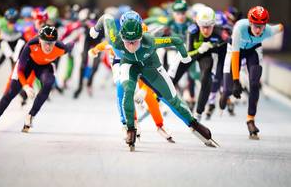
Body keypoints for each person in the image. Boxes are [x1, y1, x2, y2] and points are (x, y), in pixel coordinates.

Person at [89, 12, 218, 151]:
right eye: (128, 41)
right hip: (127, 64)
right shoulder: (114, 39)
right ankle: (129, 128)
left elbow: (176, 41)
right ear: (121, 35)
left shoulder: (149, 40)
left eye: (136, 41)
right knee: (125, 90)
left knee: (171, 98)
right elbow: (107, 17)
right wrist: (95, 30)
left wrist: (186, 57)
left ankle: (193, 124)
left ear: (142, 34)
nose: (132, 45)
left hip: (150, 65)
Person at [0, 25, 73, 132]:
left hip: (44, 66)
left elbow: (71, 44)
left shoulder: (61, 48)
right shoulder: (31, 44)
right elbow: (20, 70)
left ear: (56, 42)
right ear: (39, 40)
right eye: (45, 43)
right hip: (27, 64)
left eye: (51, 43)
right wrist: (25, 86)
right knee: (12, 91)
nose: (48, 47)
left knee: (49, 83)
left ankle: (31, 116)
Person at [221, 6, 284, 139]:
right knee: (228, 89)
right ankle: (224, 93)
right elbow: (236, 55)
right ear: (250, 23)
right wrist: (236, 81)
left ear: (265, 25)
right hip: (235, 50)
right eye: (255, 25)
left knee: (254, 84)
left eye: (261, 26)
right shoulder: (239, 28)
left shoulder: (268, 30)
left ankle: (250, 120)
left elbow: (280, 27)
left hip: (253, 51)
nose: (258, 30)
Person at [168, 6, 227, 121]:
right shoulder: (192, 30)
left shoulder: (220, 33)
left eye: (208, 27)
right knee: (174, 75)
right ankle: (159, 97)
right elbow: (188, 55)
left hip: (207, 55)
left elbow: (222, 62)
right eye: (202, 27)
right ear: (197, 24)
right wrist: (200, 49)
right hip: (193, 53)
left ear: (214, 24)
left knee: (206, 78)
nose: (205, 30)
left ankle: (199, 112)